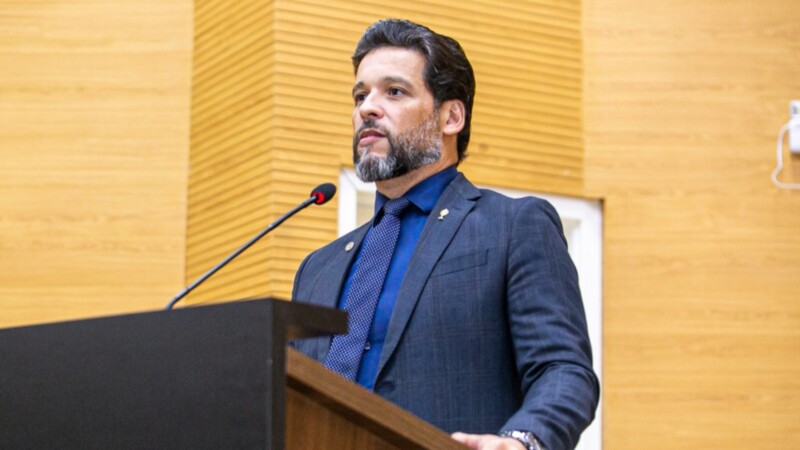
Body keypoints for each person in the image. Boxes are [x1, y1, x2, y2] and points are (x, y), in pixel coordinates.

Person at [291, 19, 599, 450]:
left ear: (451, 116)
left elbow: (563, 370)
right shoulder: (317, 269)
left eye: (394, 92)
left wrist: (522, 440)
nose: (367, 109)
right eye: (360, 95)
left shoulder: (513, 226)